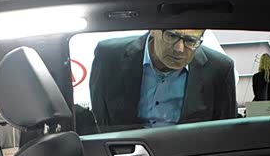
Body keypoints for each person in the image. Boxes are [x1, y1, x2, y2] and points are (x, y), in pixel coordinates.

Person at [89, 29, 237, 131]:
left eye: (190, 40)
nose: (179, 49)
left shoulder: (219, 69)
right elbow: (100, 115)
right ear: (154, 30)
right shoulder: (108, 55)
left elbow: (226, 130)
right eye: (172, 36)